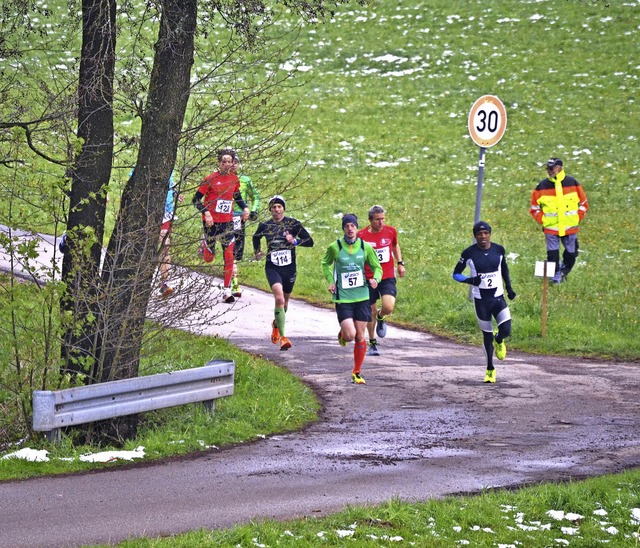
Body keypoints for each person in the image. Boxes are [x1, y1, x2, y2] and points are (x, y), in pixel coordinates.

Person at [321, 213, 382, 385]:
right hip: (343, 298)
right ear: (343, 228)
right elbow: (325, 263)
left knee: (360, 335)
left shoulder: (365, 246)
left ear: (356, 227)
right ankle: (343, 333)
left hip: (362, 296)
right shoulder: (335, 247)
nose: (350, 228)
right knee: (350, 335)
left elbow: (377, 267)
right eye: (346, 225)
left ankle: (357, 371)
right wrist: (331, 281)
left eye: (352, 226)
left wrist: (375, 279)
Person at [452, 221, 516, 384]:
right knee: (486, 337)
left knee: (506, 329)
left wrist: (509, 288)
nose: (483, 236)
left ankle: (500, 339)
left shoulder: (498, 250)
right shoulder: (469, 253)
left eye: (485, 233)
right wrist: (470, 280)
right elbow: (456, 274)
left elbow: (505, 269)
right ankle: (490, 370)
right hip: (481, 301)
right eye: (479, 234)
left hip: (498, 297)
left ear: (490, 234)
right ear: (475, 236)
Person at [252, 195, 314, 351]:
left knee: (284, 304)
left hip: (289, 268)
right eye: (273, 207)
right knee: (279, 299)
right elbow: (255, 237)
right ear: (270, 210)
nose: (276, 209)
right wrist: (257, 251)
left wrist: (295, 241)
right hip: (272, 267)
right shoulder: (265, 225)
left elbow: (310, 241)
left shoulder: (292, 224)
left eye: (279, 206)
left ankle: (276, 323)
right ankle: (283, 337)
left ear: (284, 209)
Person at [193, 148, 250, 303]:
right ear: (219, 163)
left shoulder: (234, 179)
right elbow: (196, 200)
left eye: (229, 162)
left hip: (227, 223)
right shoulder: (210, 179)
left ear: (232, 163)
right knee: (209, 258)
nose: (226, 164)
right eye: (223, 162)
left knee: (229, 255)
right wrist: (206, 213)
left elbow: (237, 196)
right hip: (211, 223)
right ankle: (205, 244)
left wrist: (245, 207)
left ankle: (227, 291)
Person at [530, 157, 589, 284]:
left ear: (559, 168)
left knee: (572, 254)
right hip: (551, 228)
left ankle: (563, 272)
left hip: (570, 228)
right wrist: (544, 220)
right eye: (547, 168)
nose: (548, 171)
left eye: (551, 168)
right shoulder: (541, 186)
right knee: (552, 256)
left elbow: (584, 203)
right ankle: (555, 278)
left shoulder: (573, 183)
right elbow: (534, 208)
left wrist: (577, 217)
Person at [357, 205, 406, 356]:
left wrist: (400, 263)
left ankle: (381, 316)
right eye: (377, 219)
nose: (381, 222)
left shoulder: (391, 231)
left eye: (383, 219)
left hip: (387, 275)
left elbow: (395, 245)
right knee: (370, 310)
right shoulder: (361, 236)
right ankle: (372, 342)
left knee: (389, 306)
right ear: (370, 220)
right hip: (369, 277)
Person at [230, 153, 260, 298]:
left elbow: (255, 196)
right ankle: (234, 283)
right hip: (224, 218)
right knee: (229, 250)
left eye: (236, 162)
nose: (234, 165)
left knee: (235, 252)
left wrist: (253, 210)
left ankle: (232, 280)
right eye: (231, 162)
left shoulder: (245, 180)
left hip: (239, 218)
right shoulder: (221, 179)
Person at [158, 172, 184, 297]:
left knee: (165, 245)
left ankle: (164, 283)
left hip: (167, 213)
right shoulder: (144, 165)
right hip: (150, 211)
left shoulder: (169, 167)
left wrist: (175, 193)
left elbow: (171, 186)